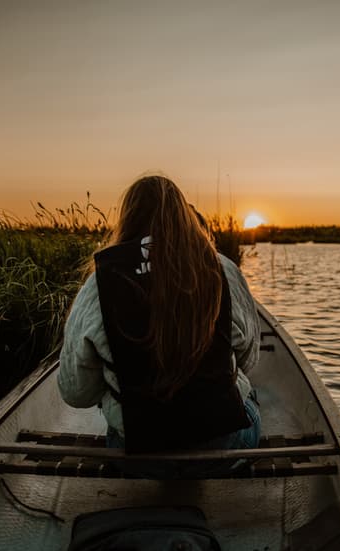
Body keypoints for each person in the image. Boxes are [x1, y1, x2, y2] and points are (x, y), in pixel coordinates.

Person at [57, 175, 261, 476]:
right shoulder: (221, 268)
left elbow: (77, 393)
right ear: (184, 217)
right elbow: (249, 358)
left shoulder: (100, 282)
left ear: (127, 218)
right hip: (224, 447)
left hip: (137, 455)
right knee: (248, 391)